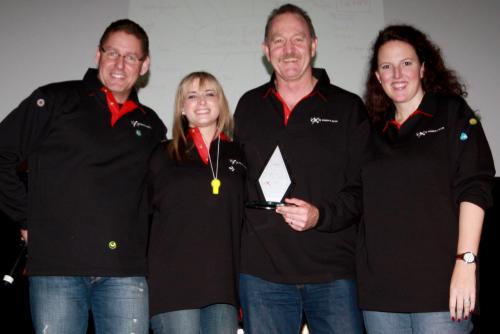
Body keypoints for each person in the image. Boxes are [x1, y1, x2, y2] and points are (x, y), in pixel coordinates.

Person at [314, 24, 496, 333]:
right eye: (387, 66)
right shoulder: (371, 132)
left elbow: (475, 187)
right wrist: (317, 213)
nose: (397, 74)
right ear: (377, 77)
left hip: (441, 292)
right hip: (380, 297)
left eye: (406, 63)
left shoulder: (452, 114)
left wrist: (466, 262)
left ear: (424, 68)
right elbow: (353, 197)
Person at [0, 19, 166, 334]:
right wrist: (26, 218)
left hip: (125, 272)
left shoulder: (151, 125)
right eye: (112, 53)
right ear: (97, 55)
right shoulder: (54, 100)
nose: (120, 64)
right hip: (57, 267)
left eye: (131, 57)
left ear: (144, 65)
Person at [234, 3, 367, 333]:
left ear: (314, 45)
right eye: (278, 41)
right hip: (262, 275)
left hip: (333, 274)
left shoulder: (348, 108)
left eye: (298, 39)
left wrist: (320, 215)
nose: (289, 50)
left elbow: (363, 190)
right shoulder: (248, 106)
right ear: (266, 50)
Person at [148, 72, 246, 334]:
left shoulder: (239, 154)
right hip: (174, 286)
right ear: (182, 107)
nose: (201, 101)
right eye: (192, 96)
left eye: (209, 94)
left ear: (221, 103)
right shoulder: (161, 154)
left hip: (223, 287)